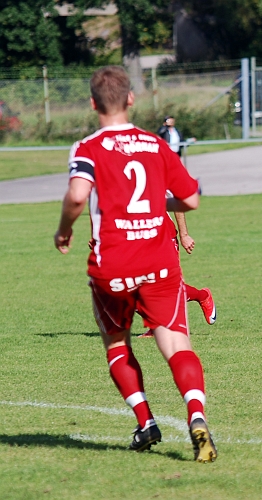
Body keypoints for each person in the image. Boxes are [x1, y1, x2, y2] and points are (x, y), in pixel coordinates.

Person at [53, 65, 217, 463]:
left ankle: (145, 421)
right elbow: (191, 199)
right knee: (176, 344)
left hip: (113, 264)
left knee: (116, 342)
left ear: (93, 104)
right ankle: (196, 416)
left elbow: (78, 195)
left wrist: (63, 230)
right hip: (159, 260)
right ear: (131, 99)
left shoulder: (87, 146)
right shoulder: (154, 143)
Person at [138, 210, 216, 338]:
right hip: (134, 238)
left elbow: (176, 201)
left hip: (163, 236)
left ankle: (202, 295)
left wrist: (184, 235)